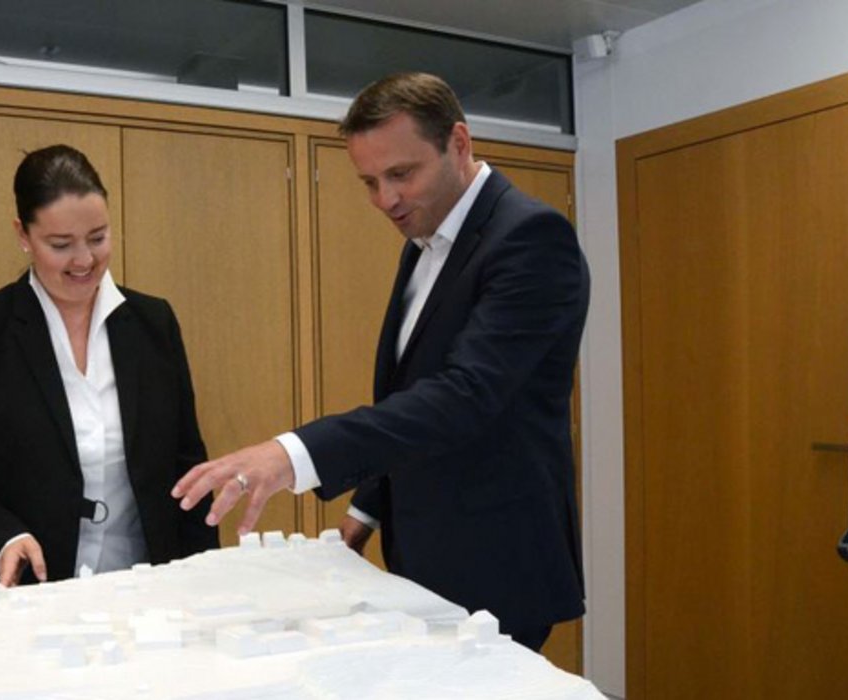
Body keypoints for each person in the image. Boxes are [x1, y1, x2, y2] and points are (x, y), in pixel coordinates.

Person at [173, 72, 588, 652]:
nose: (385, 200)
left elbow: (464, 397)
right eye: (369, 182)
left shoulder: (531, 238)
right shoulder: (423, 241)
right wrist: (369, 505)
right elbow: (409, 393)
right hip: (426, 553)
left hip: (498, 561)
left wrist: (294, 453)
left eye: (401, 174)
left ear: (458, 143)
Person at [0, 144, 218, 595]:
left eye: (98, 238)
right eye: (61, 245)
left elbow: (187, 465)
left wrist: (204, 579)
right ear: (23, 234)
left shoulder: (154, 323)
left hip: (142, 590)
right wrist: (2, 535)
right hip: (21, 591)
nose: (84, 260)